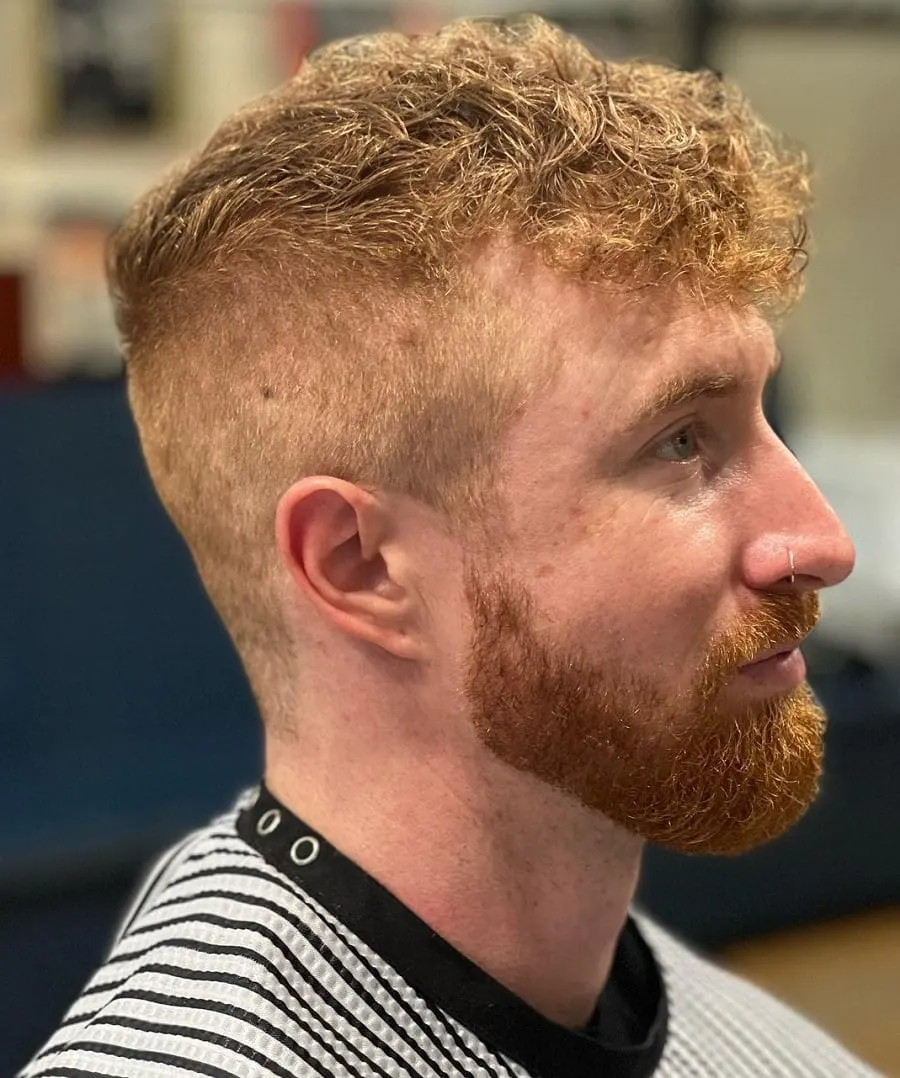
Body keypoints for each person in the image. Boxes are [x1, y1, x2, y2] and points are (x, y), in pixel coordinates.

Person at [21, 15, 876, 1078]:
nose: (822, 542)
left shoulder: (769, 1052)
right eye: (680, 441)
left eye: (757, 415)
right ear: (359, 565)